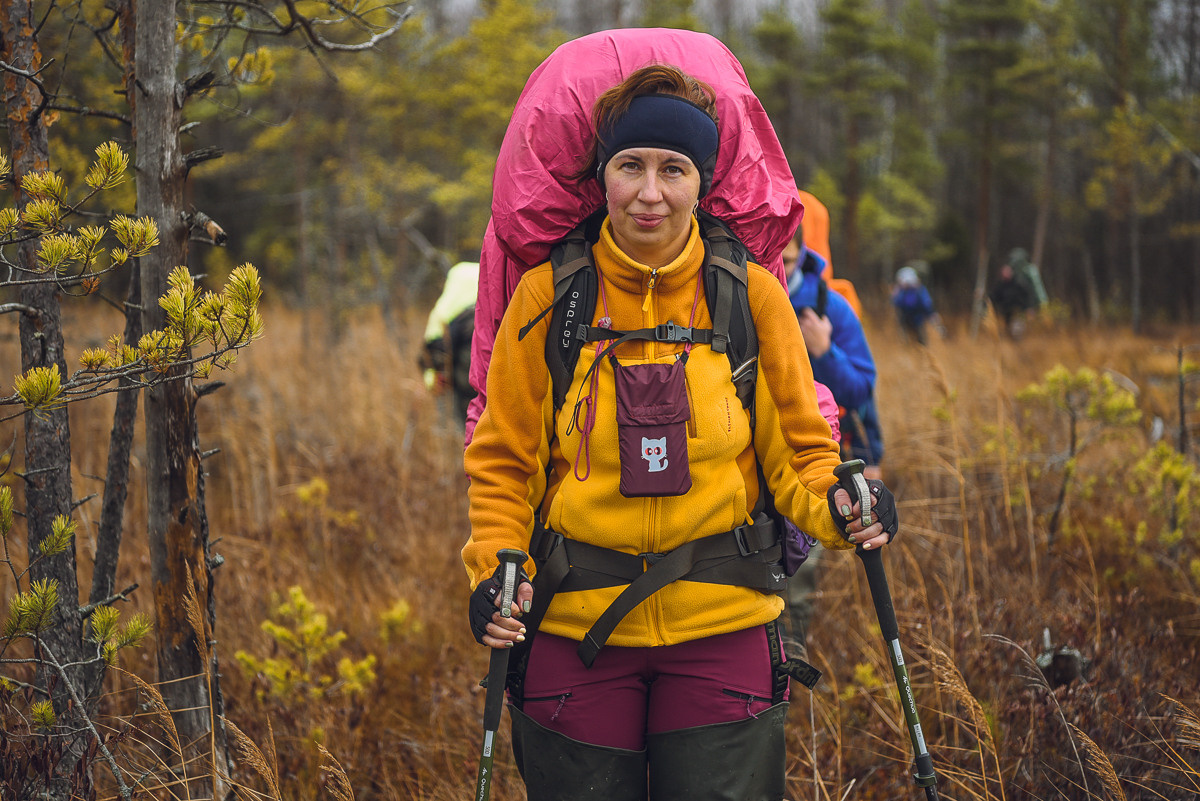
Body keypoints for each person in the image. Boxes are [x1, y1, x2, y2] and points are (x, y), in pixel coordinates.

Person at [463, 64, 898, 801]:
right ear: (602, 175)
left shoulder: (750, 295)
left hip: (724, 625)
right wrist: (496, 568)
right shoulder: (549, 298)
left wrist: (846, 501)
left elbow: (798, 450)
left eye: (675, 168)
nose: (651, 191)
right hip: (577, 629)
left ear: (703, 180)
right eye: (630, 166)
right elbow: (506, 462)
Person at [781, 225, 882, 652]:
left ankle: (787, 671)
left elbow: (861, 389)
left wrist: (824, 349)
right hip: (750, 461)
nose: (778, 274)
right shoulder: (735, 293)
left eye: (786, 263)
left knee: (800, 573)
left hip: (814, 458)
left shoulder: (830, 309)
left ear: (802, 255)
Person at [418, 260, 478, 424]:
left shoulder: (445, 306)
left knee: (470, 420)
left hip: (466, 368)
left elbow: (432, 343)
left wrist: (432, 379)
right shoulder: (499, 290)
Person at [891, 263, 937, 345]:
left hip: (913, 320)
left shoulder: (912, 290)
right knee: (917, 343)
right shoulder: (917, 289)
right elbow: (926, 303)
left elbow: (895, 302)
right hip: (912, 320)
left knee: (915, 343)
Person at [989, 262, 1035, 338]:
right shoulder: (1000, 286)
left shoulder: (1018, 284)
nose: (1006, 274)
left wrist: (1029, 307)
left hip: (1018, 312)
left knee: (1017, 331)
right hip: (1006, 313)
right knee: (1007, 332)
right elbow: (993, 298)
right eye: (1004, 272)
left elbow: (1027, 295)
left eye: (1008, 272)